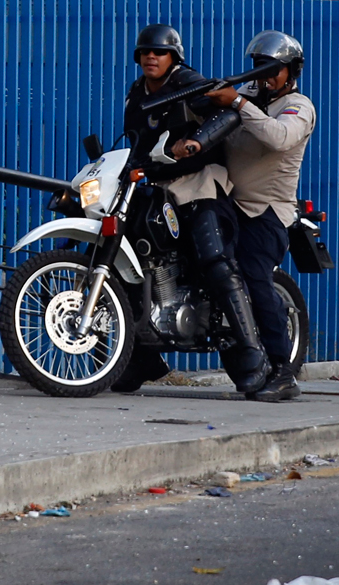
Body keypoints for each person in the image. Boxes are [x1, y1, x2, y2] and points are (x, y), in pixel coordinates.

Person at [112, 24, 270, 394]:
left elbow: (228, 115)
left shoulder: (190, 82)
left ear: (173, 58)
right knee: (128, 260)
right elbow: (134, 140)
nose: (151, 57)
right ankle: (141, 360)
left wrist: (197, 142)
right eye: (145, 52)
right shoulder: (136, 93)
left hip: (199, 181)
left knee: (214, 260)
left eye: (160, 52)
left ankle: (251, 354)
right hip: (155, 186)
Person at [183, 30, 314, 402]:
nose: (267, 76)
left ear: (291, 71)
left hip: (268, 211)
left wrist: (238, 102)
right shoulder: (247, 97)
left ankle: (284, 371)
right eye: (260, 68)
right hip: (227, 202)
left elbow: (278, 137)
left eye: (275, 69)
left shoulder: (298, 106)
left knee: (255, 278)